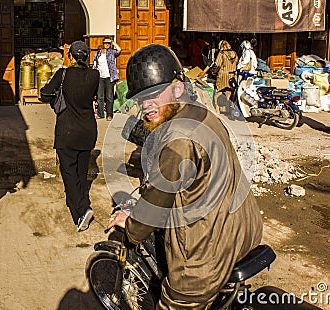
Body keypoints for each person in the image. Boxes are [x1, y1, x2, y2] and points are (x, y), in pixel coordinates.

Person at [107, 44, 263, 309]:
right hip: (244, 229)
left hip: (205, 259)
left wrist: (130, 226)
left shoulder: (176, 141)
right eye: (141, 98)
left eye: (155, 93)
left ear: (178, 88)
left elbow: (155, 206)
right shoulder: (203, 114)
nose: (147, 104)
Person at [40, 40, 99, 232]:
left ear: (70, 56)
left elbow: (44, 94)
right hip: (88, 130)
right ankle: (78, 207)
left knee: (69, 174)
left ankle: (83, 210)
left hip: (67, 131)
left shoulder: (63, 74)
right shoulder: (94, 75)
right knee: (81, 173)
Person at [93, 37, 121, 121]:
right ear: (103, 44)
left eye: (108, 43)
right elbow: (95, 64)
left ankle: (109, 114)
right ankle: (100, 114)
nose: (107, 44)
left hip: (109, 77)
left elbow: (119, 50)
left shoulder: (112, 52)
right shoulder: (98, 53)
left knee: (109, 97)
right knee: (100, 97)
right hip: (100, 77)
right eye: (105, 43)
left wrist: (113, 42)